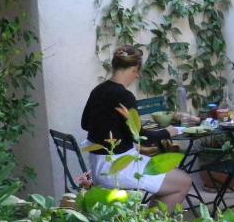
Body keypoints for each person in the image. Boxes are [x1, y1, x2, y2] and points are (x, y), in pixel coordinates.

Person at [80, 44, 192, 211]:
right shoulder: (125, 95)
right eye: (137, 72)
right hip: (118, 167)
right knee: (183, 182)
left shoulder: (98, 90)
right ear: (133, 69)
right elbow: (139, 136)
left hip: (99, 166)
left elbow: (85, 124)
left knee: (168, 184)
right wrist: (168, 131)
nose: (137, 76)